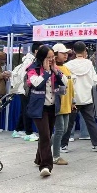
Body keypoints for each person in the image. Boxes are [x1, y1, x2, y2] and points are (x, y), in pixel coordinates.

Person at [26, 46, 66, 178]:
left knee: (47, 134)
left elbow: (65, 82)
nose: (51, 59)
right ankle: (46, 165)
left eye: (53, 57)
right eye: (48, 57)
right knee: (45, 136)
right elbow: (36, 83)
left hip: (52, 106)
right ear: (42, 58)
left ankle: (39, 158)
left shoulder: (55, 69)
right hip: (39, 107)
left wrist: (54, 70)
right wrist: (47, 71)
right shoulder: (33, 69)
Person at [61, 41, 97, 153]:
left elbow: (64, 82)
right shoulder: (89, 64)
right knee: (91, 122)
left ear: (74, 51)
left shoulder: (67, 65)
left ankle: (63, 145)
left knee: (69, 123)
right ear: (85, 51)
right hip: (87, 98)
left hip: (72, 99)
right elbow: (95, 81)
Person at [11, 42, 42, 141]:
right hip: (25, 89)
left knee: (24, 109)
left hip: (25, 88)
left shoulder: (32, 60)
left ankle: (18, 130)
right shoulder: (30, 61)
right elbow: (24, 76)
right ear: (36, 51)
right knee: (27, 110)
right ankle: (28, 132)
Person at [52, 43, 74, 166]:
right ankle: (55, 156)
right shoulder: (53, 69)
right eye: (63, 53)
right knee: (60, 130)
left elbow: (71, 86)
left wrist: (72, 101)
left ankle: (42, 148)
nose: (66, 55)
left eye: (67, 53)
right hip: (58, 104)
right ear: (55, 54)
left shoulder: (66, 68)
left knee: (64, 130)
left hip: (67, 103)